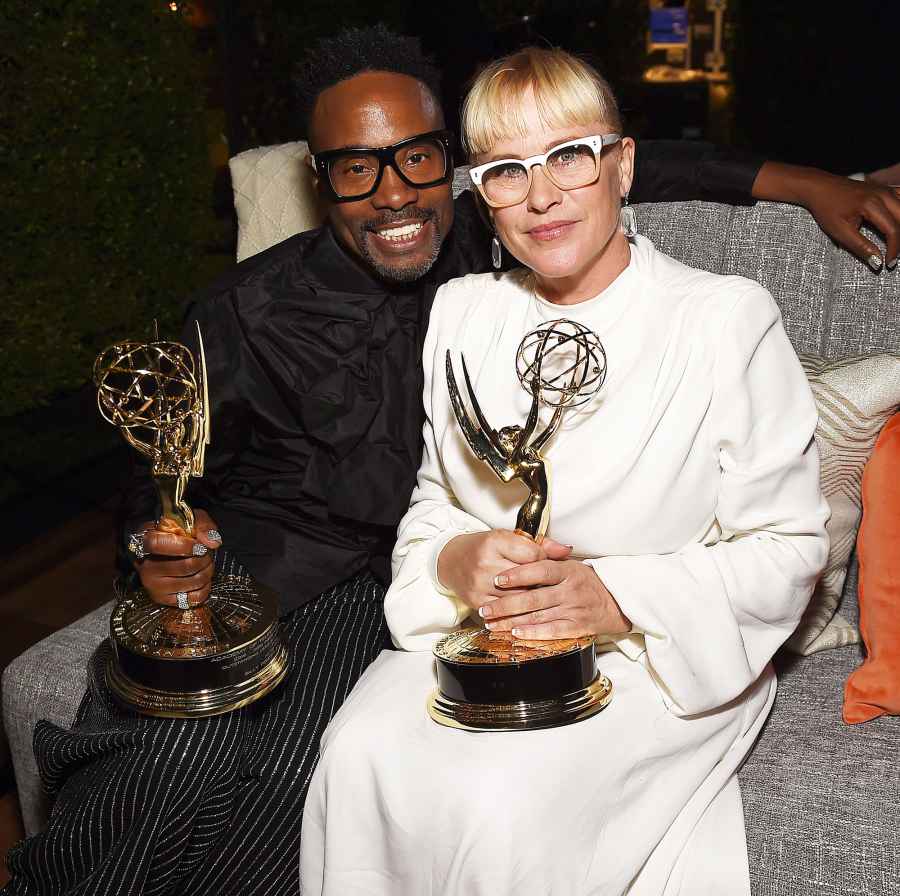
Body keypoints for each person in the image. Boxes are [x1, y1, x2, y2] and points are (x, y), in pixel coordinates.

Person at [1, 24, 893, 896]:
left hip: (513, 617)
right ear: (323, 184)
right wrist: (163, 552)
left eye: (417, 160)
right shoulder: (271, 309)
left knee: (324, 780)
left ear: (447, 170)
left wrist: (811, 181)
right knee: (209, 756)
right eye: (356, 169)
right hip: (295, 579)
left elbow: (602, 159)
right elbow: (165, 490)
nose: (393, 196)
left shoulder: (537, 258)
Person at [297, 47, 830, 894]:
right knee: (355, 756)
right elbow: (437, 498)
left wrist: (617, 597)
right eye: (507, 171)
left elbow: (791, 546)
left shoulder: (725, 319)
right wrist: (451, 560)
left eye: (569, 157)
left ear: (621, 167)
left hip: (658, 653)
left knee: (501, 809)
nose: (540, 195)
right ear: (482, 197)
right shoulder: (463, 313)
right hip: (481, 641)